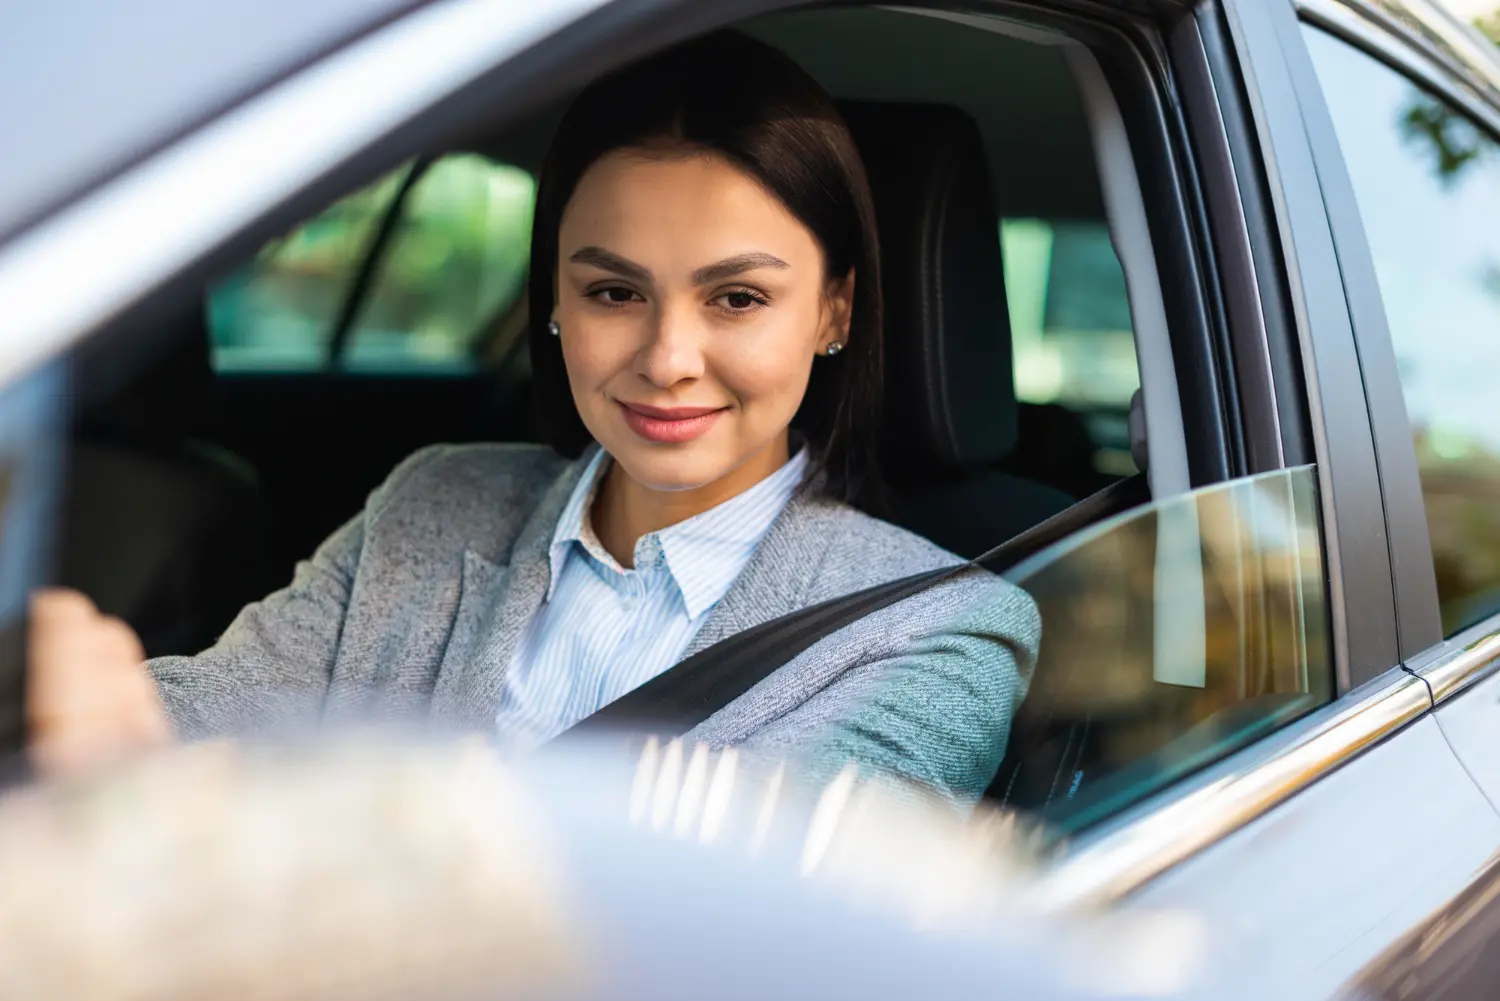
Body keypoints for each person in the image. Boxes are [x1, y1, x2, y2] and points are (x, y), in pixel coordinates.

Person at [27, 31, 1039, 801]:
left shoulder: (939, 630)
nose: (667, 359)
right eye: (613, 292)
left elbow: (734, 924)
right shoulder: (436, 499)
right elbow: (202, 718)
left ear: (834, 310)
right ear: (553, 297)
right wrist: (83, 714)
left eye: (737, 298)